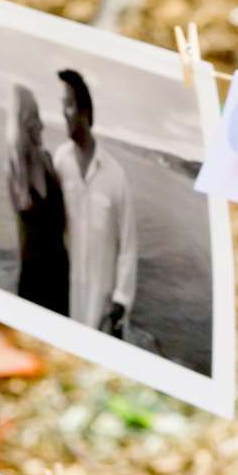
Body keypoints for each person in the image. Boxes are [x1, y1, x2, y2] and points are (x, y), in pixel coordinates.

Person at [51, 68, 136, 338]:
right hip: (66, 295)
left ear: (85, 112)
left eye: (69, 105)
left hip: (102, 303)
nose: (63, 112)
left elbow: (128, 245)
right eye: (62, 105)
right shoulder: (59, 161)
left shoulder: (116, 175)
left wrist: (120, 300)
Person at [5, 87, 68, 315]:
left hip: (61, 273)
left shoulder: (49, 161)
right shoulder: (15, 174)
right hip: (34, 277)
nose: (41, 125)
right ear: (23, 123)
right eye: (34, 118)